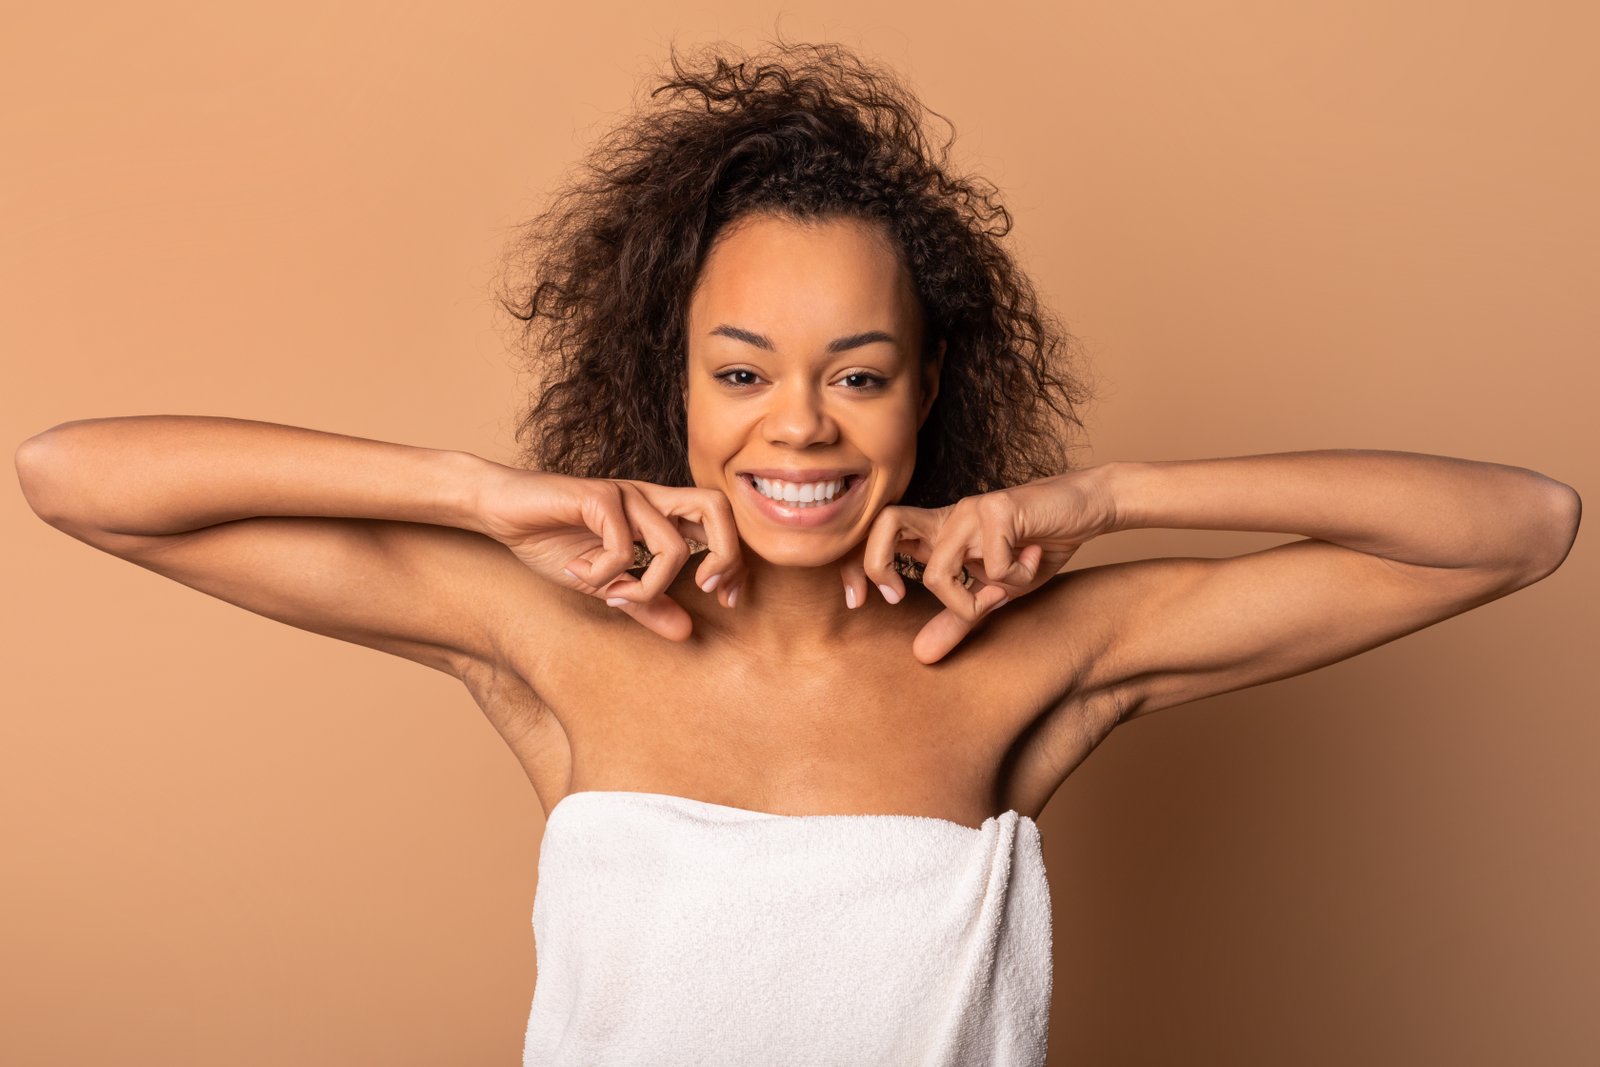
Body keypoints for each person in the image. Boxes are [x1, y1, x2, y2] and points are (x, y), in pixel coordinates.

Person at [13, 37, 1580, 1067]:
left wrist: (1102, 500)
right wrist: (480, 494)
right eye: (744, 372)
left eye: (860, 371)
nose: (802, 430)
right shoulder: (560, 636)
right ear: (673, 386)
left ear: (929, 388)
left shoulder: (1034, 656)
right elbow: (77, 478)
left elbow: (1519, 528)